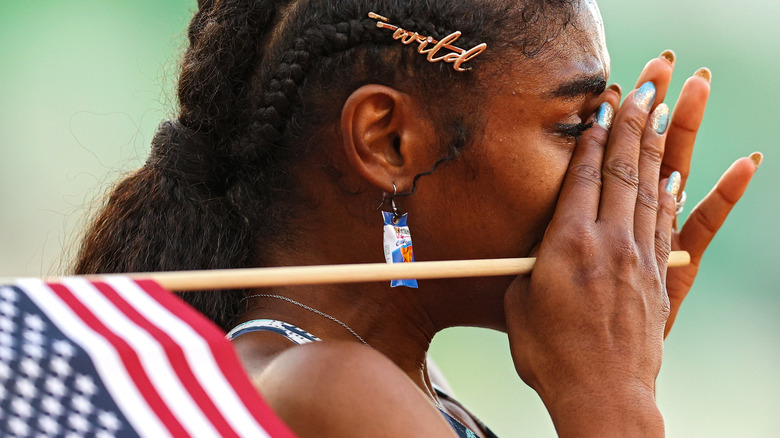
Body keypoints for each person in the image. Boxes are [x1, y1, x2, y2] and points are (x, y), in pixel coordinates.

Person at [74, 0, 760, 436]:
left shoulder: (381, 381)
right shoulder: (330, 392)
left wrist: (614, 363)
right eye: (578, 123)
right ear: (389, 141)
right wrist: (612, 397)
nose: (609, 167)